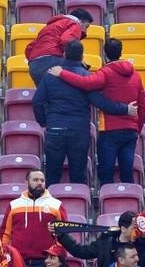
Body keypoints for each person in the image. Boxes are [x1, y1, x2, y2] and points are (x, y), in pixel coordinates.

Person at [33, 41, 136, 186]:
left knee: (52, 176)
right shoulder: (86, 76)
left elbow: (37, 101)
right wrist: (125, 109)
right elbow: (101, 102)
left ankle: (52, 208)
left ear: (64, 54)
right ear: (82, 57)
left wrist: (44, 121)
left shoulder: (50, 75)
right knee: (77, 177)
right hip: (79, 131)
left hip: (55, 129)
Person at [0, 170, 67, 266]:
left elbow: (64, 234)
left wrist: (58, 256)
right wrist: (4, 254)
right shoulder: (14, 205)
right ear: (26, 182)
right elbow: (5, 234)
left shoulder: (56, 205)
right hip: (18, 260)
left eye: (42, 181)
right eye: (35, 180)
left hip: (46, 261)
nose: (39, 183)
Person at [58, 211, 145, 267]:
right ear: (123, 229)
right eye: (134, 228)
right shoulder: (105, 242)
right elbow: (80, 251)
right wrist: (61, 235)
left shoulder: (144, 245)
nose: (138, 231)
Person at [25, 10, 93, 85]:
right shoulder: (75, 24)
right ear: (81, 21)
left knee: (47, 93)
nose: (85, 31)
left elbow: (30, 47)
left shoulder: (49, 27)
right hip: (52, 60)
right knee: (78, 73)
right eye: (86, 27)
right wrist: (76, 59)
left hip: (34, 66)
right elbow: (67, 41)